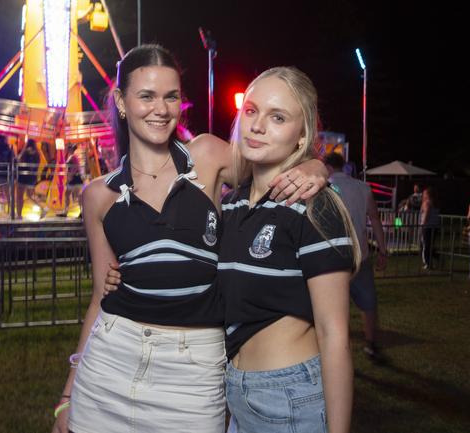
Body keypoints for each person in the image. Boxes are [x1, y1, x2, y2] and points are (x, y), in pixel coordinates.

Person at [51, 45, 329, 433]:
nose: (160, 109)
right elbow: (101, 295)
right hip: (111, 361)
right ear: (121, 102)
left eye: (171, 96)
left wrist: (316, 164)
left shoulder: (207, 156)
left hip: (193, 370)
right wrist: (67, 395)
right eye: (146, 96)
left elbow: (277, 156)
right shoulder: (99, 195)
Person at [219, 67, 359, 433]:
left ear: (301, 138)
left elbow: (334, 333)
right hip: (236, 394)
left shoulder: (316, 206)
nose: (258, 125)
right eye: (251, 111)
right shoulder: (230, 205)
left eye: (277, 117)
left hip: (291, 397)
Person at [325, 152, 388, 362]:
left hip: (333, 256)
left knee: (335, 307)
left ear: (328, 167)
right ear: (343, 166)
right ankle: (371, 344)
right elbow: (375, 219)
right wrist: (383, 249)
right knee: (368, 303)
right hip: (360, 254)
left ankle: (338, 349)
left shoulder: (325, 186)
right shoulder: (363, 188)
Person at [16, 138, 41, 219]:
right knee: (30, 195)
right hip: (32, 178)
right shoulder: (37, 154)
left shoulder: (25, 152)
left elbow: (18, 160)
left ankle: (19, 215)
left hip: (23, 177)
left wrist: (23, 150)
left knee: (19, 196)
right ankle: (43, 207)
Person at [59, 144, 84, 217]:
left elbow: (76, 167)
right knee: (68, 194)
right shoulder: (71, 157)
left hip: (74, 178)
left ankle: (81, 211)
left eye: (68, 148)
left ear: (70, 149)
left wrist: (70, 176)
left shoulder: (73, 157)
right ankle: (66, 211)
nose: (66, 149)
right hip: (74, 178)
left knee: (76, 195)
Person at [420, 186, 440, 269]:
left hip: (427, 226)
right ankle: (436, 257)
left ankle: (428, 263)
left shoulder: (427, 203)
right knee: (429, 244)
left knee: (425, 245)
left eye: (424, 193)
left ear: (427, 195)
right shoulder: (436, 203)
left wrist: (423, 224)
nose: (423, 195)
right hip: (434, 226)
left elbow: (426, 214)